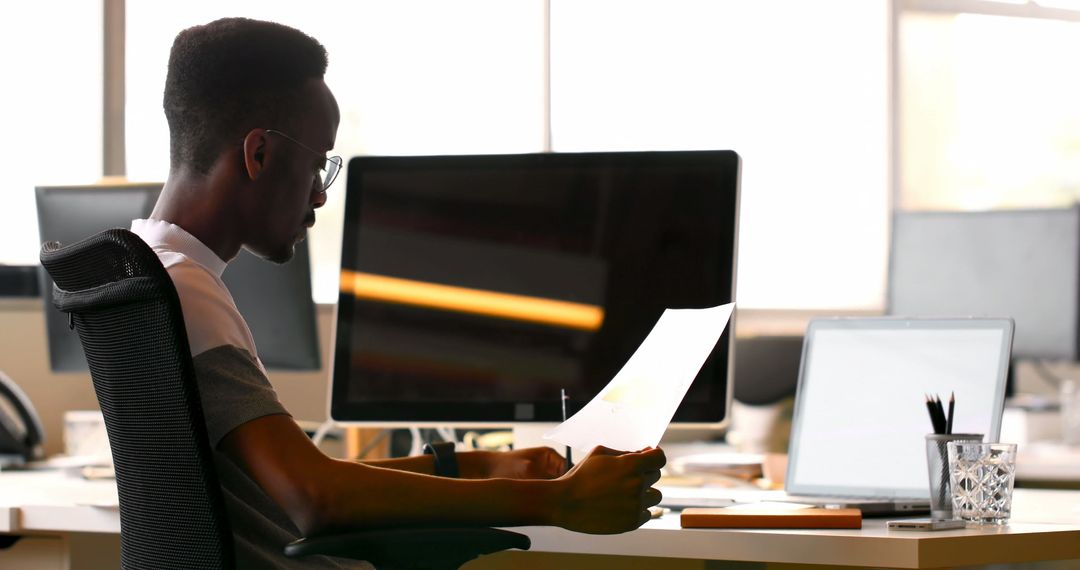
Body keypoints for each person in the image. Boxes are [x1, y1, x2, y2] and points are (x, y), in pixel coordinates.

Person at [131, 17, 665, 569]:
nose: (318, 196)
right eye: (317, 164)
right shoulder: (185, 292)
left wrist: (485, 467)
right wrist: (560, 500)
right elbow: (317, 498)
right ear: (259, 154)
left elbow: (299, 479)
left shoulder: (141, 272)